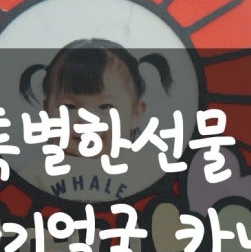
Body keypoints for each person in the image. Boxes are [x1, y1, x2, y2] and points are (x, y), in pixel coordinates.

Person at [18, 38, 173, 199]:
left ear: (135, 114)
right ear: (47, 113)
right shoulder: (35, 175)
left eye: (105, 106)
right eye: (70, 107)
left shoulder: (148, 172)